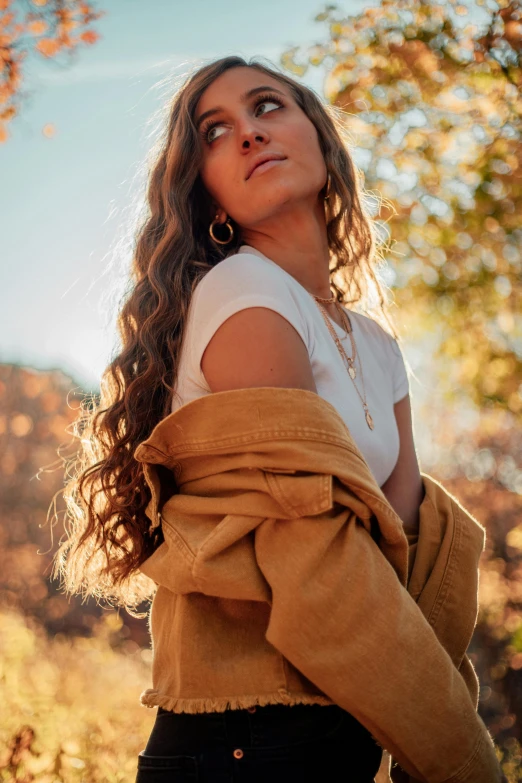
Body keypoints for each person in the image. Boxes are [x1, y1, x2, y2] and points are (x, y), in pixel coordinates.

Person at [53, 56, 503, 783]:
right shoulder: (243, 290)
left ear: (322, 142)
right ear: (213, 200)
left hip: (352, 720)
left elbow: (408, 554)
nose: (249, 134)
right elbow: (315, 554)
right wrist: (463, 759)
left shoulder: (377, 342)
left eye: (267, 107)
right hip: (243, 735)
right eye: (216, 131)